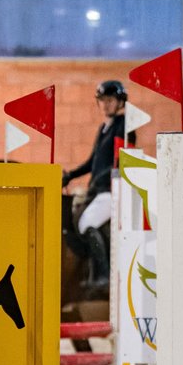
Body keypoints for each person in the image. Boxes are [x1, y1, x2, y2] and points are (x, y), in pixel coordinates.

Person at [62, 80, 133, 289]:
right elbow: (93, 161)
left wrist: (103, 178)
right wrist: (71, 175)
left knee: (87, 223)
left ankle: (103, 275)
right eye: (102, 100)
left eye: (110, 100)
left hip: (111, 190)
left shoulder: (123, 126)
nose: (106, 105)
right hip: (98, 189)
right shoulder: (104, 128)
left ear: (120, 102)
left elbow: (120, 158)